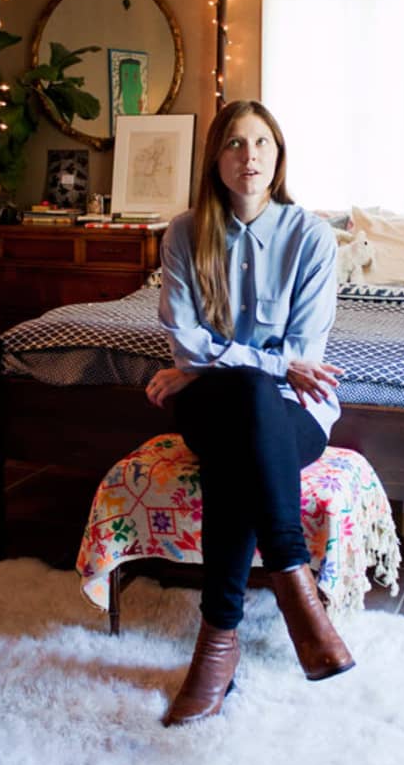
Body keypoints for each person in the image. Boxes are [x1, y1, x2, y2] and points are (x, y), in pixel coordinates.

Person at [146, 99, 354, 728]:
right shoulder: (183, 233)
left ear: (279, 155)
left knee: (245, 421)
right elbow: (188, 342)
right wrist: (254, 362)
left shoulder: (313, 236)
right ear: (215, 157)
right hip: (212, 405)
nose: (249, 156)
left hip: (294, 417)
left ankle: (217, 644)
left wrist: (217, 360)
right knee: (246, 394)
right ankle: (295, 582)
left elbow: (305, 356)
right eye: (235, 143)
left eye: (262, 143)